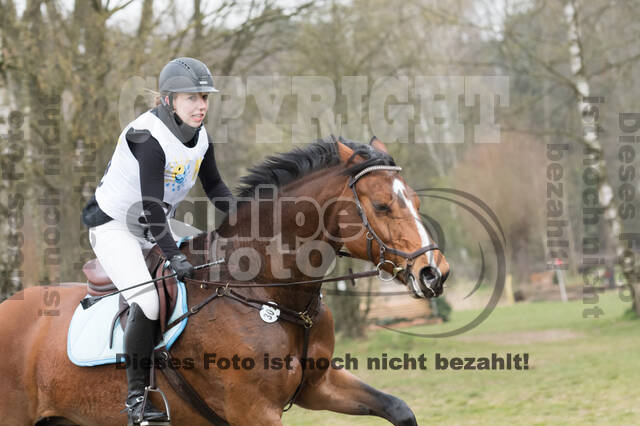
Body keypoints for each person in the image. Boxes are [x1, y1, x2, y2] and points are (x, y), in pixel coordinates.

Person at [81, 57, 233, 424]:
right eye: (191, 98)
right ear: (168, 100)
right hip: (114, 226)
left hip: (154, 223)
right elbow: (151, 207)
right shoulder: (148, 138)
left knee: (210, 267)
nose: (201, 106)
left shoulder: (201, 137)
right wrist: (172, 256)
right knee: (147, 300)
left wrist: (251, 217)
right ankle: (136, 402)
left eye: (204, 97)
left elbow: (214, 186)